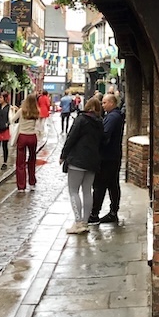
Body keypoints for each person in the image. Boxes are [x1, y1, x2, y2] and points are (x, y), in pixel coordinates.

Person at [60, 96, 104, 234]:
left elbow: (71, 137)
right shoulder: (100, 123)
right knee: (87, 191)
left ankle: (78, 222)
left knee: (73, 190)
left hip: (77, 160)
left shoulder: (82, 119)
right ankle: (85, 222)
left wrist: (63, 155)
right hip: (92, 162)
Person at [88, 91, 125, 224]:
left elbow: (104, 135)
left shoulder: (113, 117)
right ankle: (113, 212)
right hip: (113, 155)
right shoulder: (114, 115)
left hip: (107, 157)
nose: (102, 105)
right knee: (112, 185)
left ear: (111, 103)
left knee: (100, 185)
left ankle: (94, 214)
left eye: (104, 102)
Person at [11, 93, 41, 192]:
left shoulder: (21, 111)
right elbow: (39, 127)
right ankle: (32, 183)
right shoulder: (37, 111)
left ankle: (21, 186)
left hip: (22, 137)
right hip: (32, 137)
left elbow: (12, 120)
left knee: (20, 162)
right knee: (32, 160)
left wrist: (13, 111)